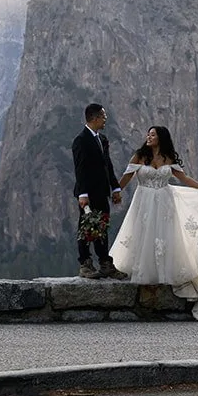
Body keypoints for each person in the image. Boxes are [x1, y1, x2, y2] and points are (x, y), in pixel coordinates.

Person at [109, 125, 198, 322]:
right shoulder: (139, 156)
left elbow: (183, 178)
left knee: (166, 239)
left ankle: (165, 274)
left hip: (165, 204)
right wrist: (116, 192)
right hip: (144, 203)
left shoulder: (168, 157)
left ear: (161, 138)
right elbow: (125, 178)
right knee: (144, 236)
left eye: (153, 135)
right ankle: (146, 275)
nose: (148, 137)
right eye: (148, 134)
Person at [71, 103, 125, 279]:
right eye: (103, 116)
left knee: (102, 227)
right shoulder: (81, 140)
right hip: (88, 194)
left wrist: (115, 187)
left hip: (102, 192)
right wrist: (82, 194)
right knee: (86, 227)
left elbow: (107, 165)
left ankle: (105, 263)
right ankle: (85, 264)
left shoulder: (102, 140)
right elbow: (80, 169)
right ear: (94, 118)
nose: (105, 119)